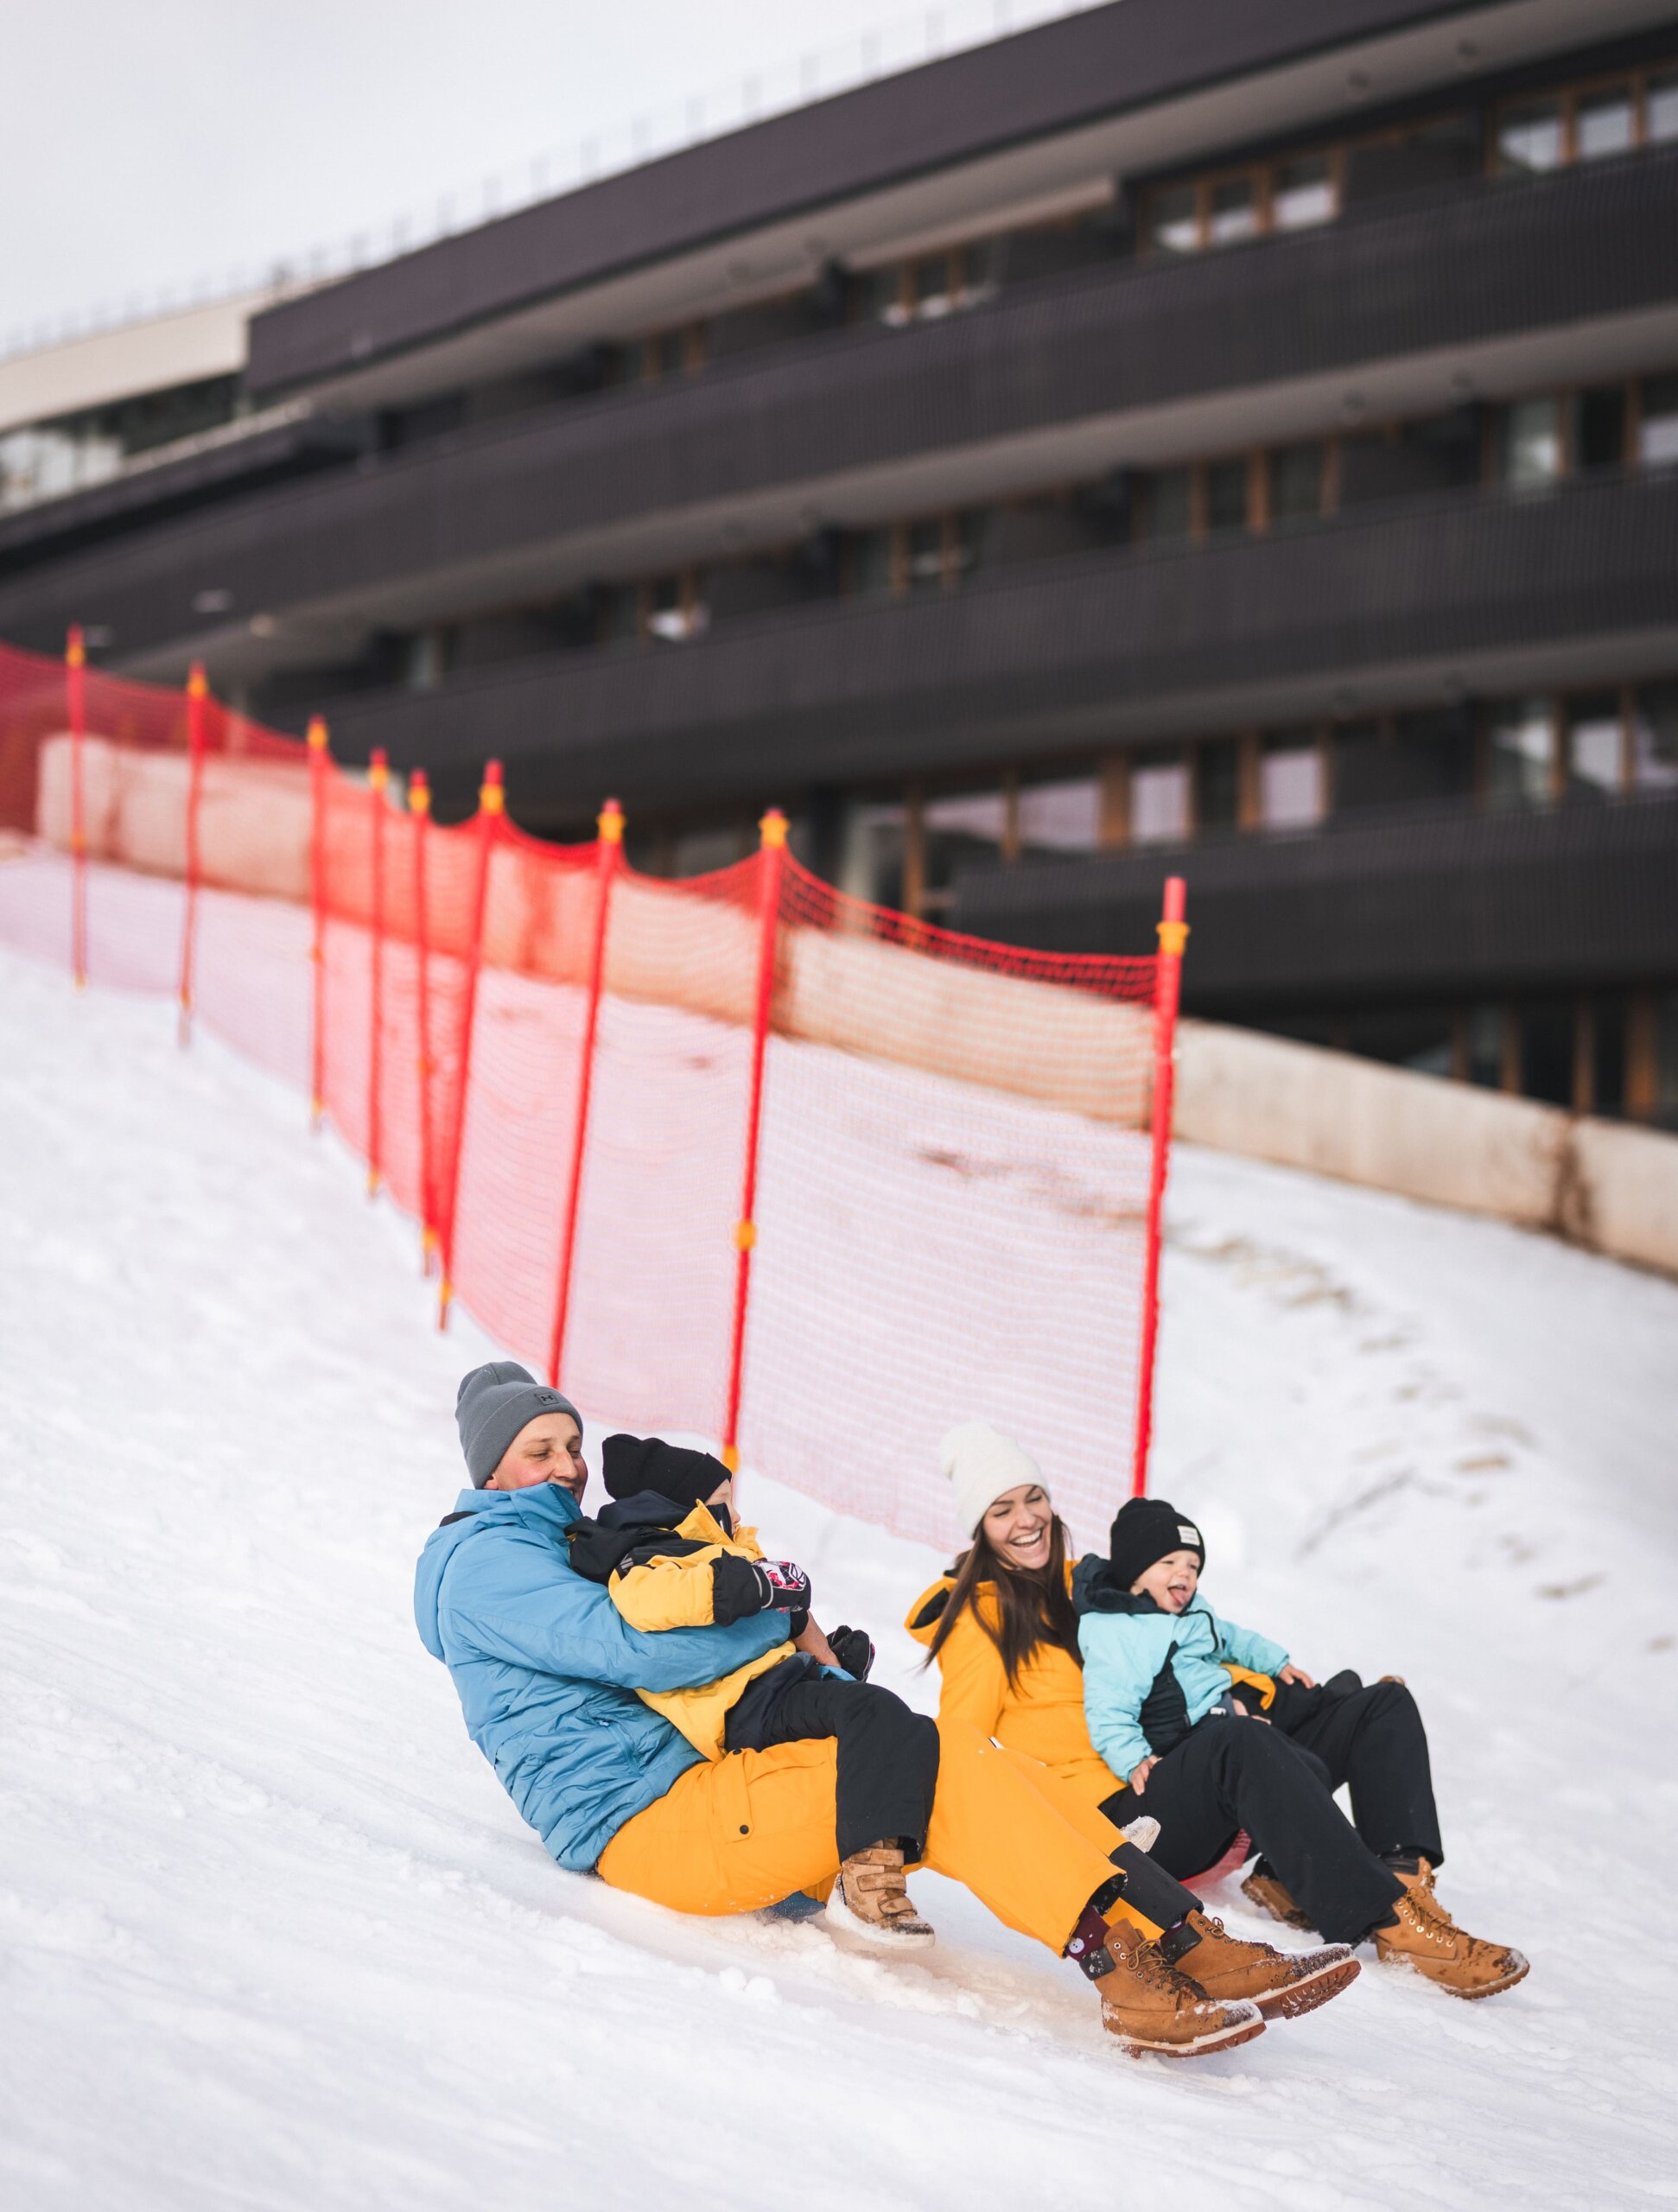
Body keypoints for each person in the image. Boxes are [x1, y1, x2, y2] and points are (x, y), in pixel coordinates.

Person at [415, 1363, 1331, 2058]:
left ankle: (1180, 1933)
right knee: (940, 1764)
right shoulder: (488, 1563)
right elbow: (645, 1647)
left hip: (709, 1791)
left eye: (571, 1446)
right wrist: (777, 1607)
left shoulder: (555, 1544)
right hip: (647, 1821)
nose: (569, 1467)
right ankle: (1123, 1965)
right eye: (542, 1451)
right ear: (489, 1466)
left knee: (963, 1753)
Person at [906, 1422, 1359, 2026]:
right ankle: (1372, 1914)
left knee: (1351, 1709)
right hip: (1113, 1818)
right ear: (980, 1529)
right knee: (1241, 1745)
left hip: (1163, 1778)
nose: (1025, 1518)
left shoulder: (1087, 1587)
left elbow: (1179, 1649)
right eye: (1001, 1509)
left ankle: (1348, 1885)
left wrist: (1259, 1690)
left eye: (1033, 1497)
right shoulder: (983, 1622)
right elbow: (960, 1747)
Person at [1076, 1494, 1529, 1999]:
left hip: (1222, 1749)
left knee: (1380, 1702)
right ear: (1136, 1569)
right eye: (1170, 1564)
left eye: (1193, 1565)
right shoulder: (1112, 1631)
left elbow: (1231, 1638)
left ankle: (1397, 1880)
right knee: (1248, 1738)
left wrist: (1275, 1663)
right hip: (1157, 1795)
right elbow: (1108, 1708)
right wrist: (1132, 1755)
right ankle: (1390, 1924)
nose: (1184, 1574)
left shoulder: (1191, 1611)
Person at [568, 1428, 939, 1947]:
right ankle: (867, 1881)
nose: (738, 1518)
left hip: (771, 1688)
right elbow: (648, 1603)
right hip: (740, 1707)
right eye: (724, 1505)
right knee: (877, 1717)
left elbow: (776, 1628)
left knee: (895, 1728)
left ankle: (836, 1871)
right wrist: (745, 1583)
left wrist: (832, 1666)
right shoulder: (646, 1559)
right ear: (684, 1508)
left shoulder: (721, 1549)